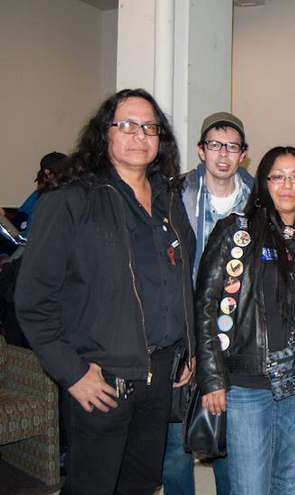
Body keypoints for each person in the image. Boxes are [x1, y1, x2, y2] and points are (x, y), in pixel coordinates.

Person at [15, 88, 196, 494]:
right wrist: (72, 372)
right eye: (127, 125)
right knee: (93, 486)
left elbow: (180, 278)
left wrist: (189, 347)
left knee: (141, 482)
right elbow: (32, 300)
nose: (139, 135)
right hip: (101, 379)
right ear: (105, 134)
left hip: (160, 375)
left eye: (150, 127)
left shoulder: (168, 198)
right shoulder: (70, 199)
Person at [196, 146, 295, 495]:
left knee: (286, 482)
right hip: (248, 381)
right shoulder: (237, 232)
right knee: (249, 487)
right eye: (278, 176)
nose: (287, 185)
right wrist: (212, 377)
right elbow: (205, 306)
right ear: (263, 183)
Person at [162, 111, 254, 495]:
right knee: (173, 439)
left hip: (235, 329)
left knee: (229, 432)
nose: (223, 154)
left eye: (232, 147)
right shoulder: (172, 195)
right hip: (181, 324)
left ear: (243, 154)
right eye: (215, 145)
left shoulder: (258, 199)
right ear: (201, 150)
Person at [0, 151, 66, 263]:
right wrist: (4, 256)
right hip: (30, 255)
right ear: (48, 173)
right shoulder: (36, 198)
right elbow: (16, 229)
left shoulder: (74, 199)